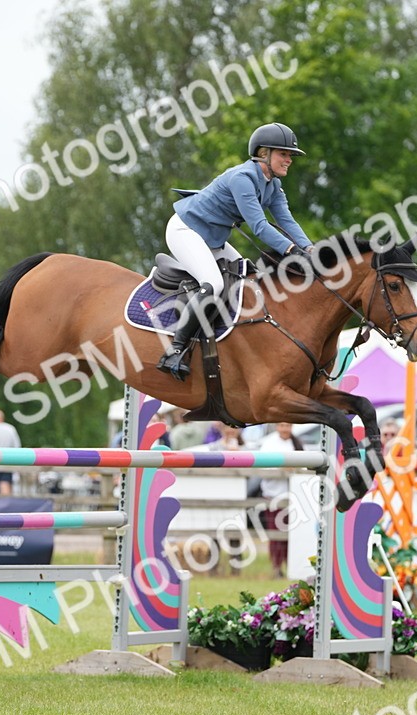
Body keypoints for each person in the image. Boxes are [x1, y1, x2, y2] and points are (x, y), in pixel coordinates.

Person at [157, 122, 318, 380]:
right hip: (185, 230)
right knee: (213, 285)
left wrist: (310, 249)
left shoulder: (273, 186)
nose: (289, 160)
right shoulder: (242, 178)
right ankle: (175, 349)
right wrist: (292, 251)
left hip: (212, 238)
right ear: (263, 153)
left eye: (290, 155)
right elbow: (259, 227)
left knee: (249, 278)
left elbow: (288, 222)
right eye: (283, 154)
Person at [255, 422, 304, 578]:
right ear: (277, 426)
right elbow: (262, 466)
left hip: (293, 496)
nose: (285, 429)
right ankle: (276, 566)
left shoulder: (296, 443)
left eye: (288, 426)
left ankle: (291, 566)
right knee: (276, 533)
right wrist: (282, 467)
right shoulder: (269, 444)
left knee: (292, 534)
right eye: (282, 426)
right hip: (273, 494)